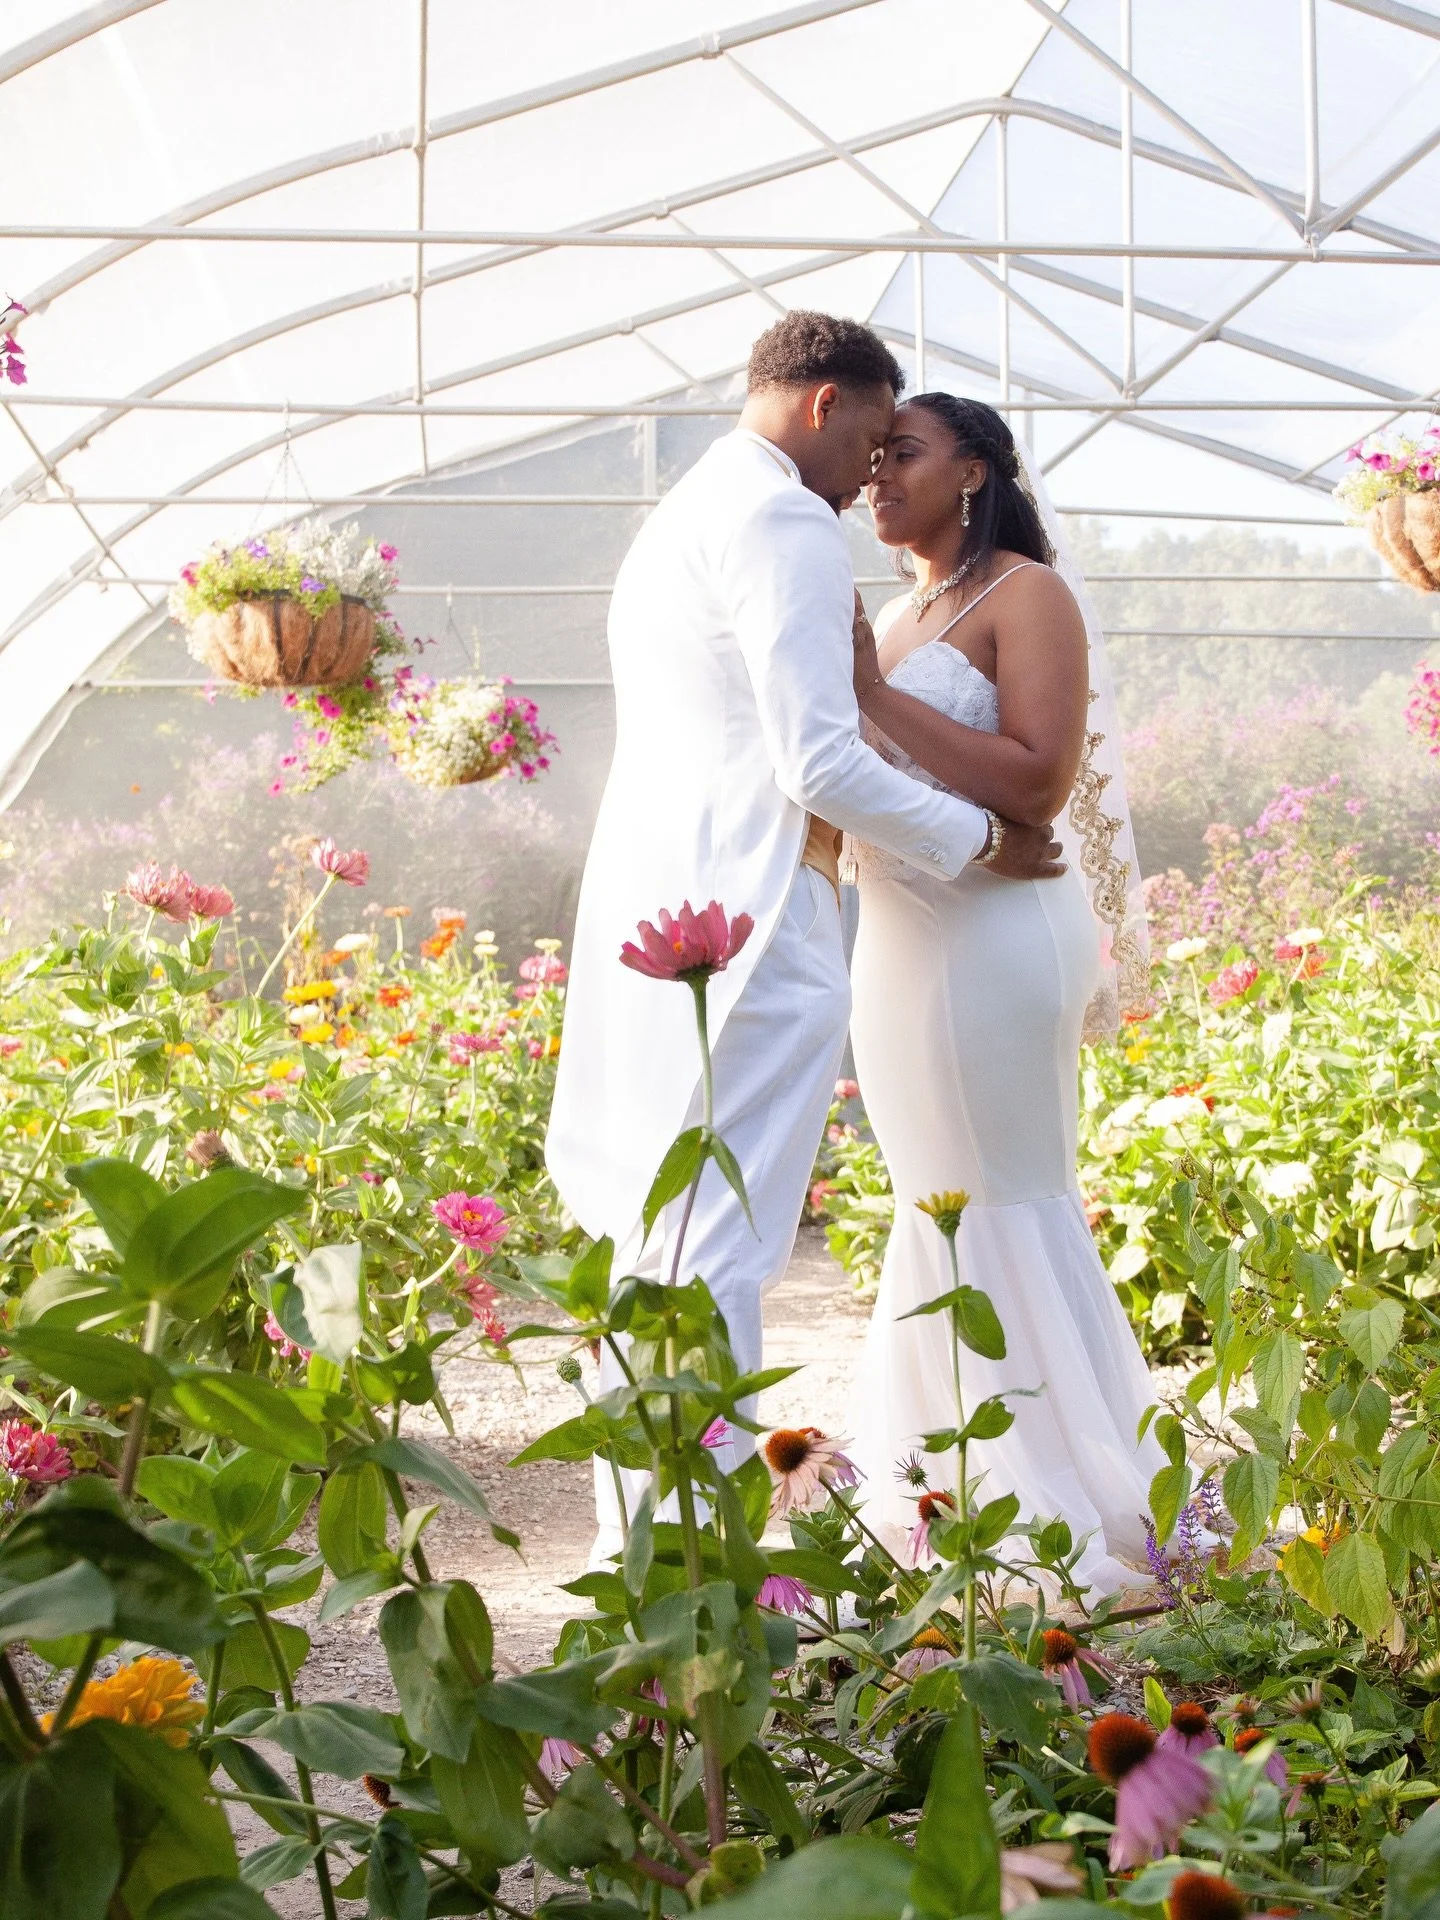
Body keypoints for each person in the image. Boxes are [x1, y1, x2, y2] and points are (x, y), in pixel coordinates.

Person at [547, 316, 1064, 1563]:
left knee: (657, 1227)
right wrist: (980, 843)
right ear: (825, 405)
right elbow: (816, 756)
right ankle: (698, 1551)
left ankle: (650, 1527)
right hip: (749, 908)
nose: (872, 476)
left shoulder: (680, 512)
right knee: (715, 1234)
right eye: (875, 439)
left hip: (662, 892)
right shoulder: (777, 516)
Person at [843, 392, 1162, 1598]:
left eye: (903, 455)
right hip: (898, 944)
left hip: (994, 941)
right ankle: (946, 1487)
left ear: (973, 468)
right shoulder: (897, 613)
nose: (878, 478)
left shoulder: (1028, 596)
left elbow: (1036, 782)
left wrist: (868, 696)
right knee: (931, 1203)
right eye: (869, 461)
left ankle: (1065, 1488)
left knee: (1003, 1194)